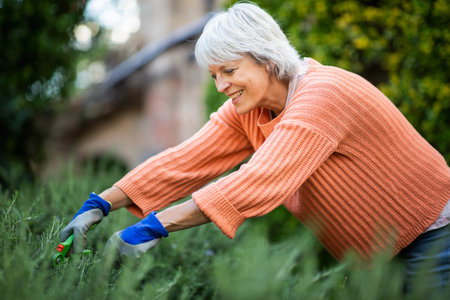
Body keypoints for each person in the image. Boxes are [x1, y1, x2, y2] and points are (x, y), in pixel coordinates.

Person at [60, 2, 450, 292]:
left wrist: (155, 226)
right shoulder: (250, 109)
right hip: (377, 260)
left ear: (266, 58)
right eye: (214, 75)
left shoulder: (325, 95)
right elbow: (186, 160)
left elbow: (259, 181)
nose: (220, 86)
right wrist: (101, 204)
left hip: (436, 238)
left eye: (229, 71)